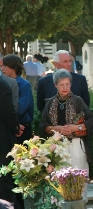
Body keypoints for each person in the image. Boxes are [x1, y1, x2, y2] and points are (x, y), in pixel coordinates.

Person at [39, 69, 93, 201]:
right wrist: (55, 128)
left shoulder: (78, 100)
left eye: (67, 84)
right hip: (58, 147)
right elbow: (42, 126)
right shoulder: (50, 103)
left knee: (79, 178)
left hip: (77, 145)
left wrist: (77, 127)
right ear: (55, 85)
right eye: (61, 84)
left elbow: (92, 121)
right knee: (60, 179)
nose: (65, 87)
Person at [0, 73, 22, 209]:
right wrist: (16, 127)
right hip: (2, 141)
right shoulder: (2, 85)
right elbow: (7, 111)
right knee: (5, 180)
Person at [2, 54, 34, 145]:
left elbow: (21, 108)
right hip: (8, 126)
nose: (2, 68)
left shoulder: (24, 84)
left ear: (13, 67)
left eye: (5, 65)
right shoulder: (3, 83)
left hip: (23, 127)